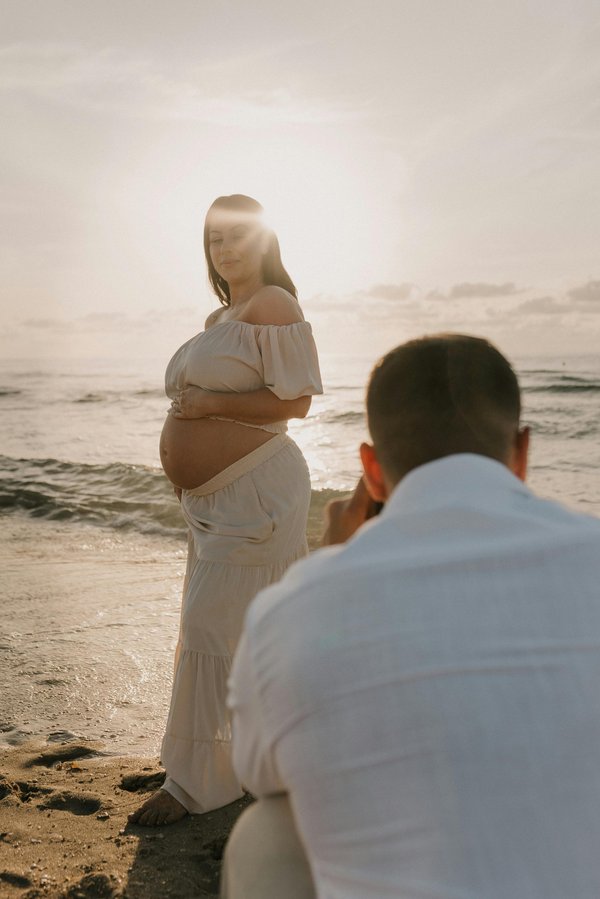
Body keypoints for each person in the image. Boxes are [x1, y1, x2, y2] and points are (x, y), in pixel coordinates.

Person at [223, 334, 600, 899]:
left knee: (266, 830)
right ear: (521, 453)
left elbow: (259, 774)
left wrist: (329, 564)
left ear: (372, 470)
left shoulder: (290, 611)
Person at [129, 194, 322, 827]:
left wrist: (209, 408)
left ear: (264, 241)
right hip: (216, 501)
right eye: (215, 239)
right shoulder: (222, 317)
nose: (226, 248)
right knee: (218, 629)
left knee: (216, 627)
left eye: (239, 235)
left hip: (256, 492)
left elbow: (296, 405)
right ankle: (205, 765)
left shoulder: (274, 304)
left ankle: (195, 786)